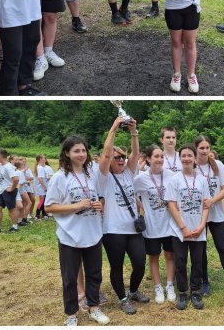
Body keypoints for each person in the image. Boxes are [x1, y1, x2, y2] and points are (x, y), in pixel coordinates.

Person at [44, 136, 110, 326]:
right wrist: (75, 206)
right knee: (70, 279)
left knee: (94, 274)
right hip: (69, 236)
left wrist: (99, 204)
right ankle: (71, 314)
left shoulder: (91, 174)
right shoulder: (60, 177)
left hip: (93, 232)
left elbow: (99, 196)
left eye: (83, 151)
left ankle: (94, 308)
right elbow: (49, 207)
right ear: (67, 153)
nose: (81, 154)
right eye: (76, 151)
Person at [98, 116, 149, 315]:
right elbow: (104, 154)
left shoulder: (129, 172)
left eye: (122, 157)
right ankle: (122, 298)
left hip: (133, 229)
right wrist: (114, 128)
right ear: (110, 161)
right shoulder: (103, 177)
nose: (120, 160)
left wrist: (134, 131)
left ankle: (134, 290)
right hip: (112, 231)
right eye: (116, 158)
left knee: (139, 261)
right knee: (116, 266)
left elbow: (136, 153)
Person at [165, 144, 210, 310]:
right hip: (179, 230)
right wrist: (183, 228)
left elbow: (206, 205)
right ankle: (183, 291)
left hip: (198, 229)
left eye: (189, 155)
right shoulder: (174, 180)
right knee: (180, 261)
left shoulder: (202, 180)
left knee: (198, 262)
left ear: (195, 158)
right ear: (179, 158)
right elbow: (171, 205)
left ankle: (196, 291)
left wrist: (202, 225)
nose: (186, 158)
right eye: (183, 155)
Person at [193, 135, 224, 301]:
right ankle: (204, 282)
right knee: (201, 250)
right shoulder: (193, 166)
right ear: (195, 149)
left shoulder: (217, 165)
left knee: (222, 248)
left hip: (216, 214)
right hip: (199, 216)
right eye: (201, 148)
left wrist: (212, 201)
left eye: (207, 148)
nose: (205, 151)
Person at [134, 143, 177, 304]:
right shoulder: (141, 178)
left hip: (169, 224)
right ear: (148, 159)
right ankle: (158, 287)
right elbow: (131, 193)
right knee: (154, 257)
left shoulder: (171, 175)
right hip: (152, 226)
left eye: (161, 157)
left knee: (169, 255)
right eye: (156, 157)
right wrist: (142, 205)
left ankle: (170, 285)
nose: (159, 159)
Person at [0, 149, 22, 234]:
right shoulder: (0, 164)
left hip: (8, 190)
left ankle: (15, 227)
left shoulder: (8, 166)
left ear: (0, 155)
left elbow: (16, 179)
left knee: (11, 209)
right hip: (0, 190)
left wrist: (12, 188)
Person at [34, 154, 53, 219]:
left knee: (44, 201)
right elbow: (40, 179)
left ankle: (44, 214)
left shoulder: (41, 167)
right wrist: (45, 187)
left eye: (45, 158)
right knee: (42, 201)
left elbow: (47, 177)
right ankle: (37, 215)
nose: (45, 159)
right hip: (41, 188)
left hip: (44, 187)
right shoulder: (40, 168)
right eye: (43, 158)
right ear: (40, 159)